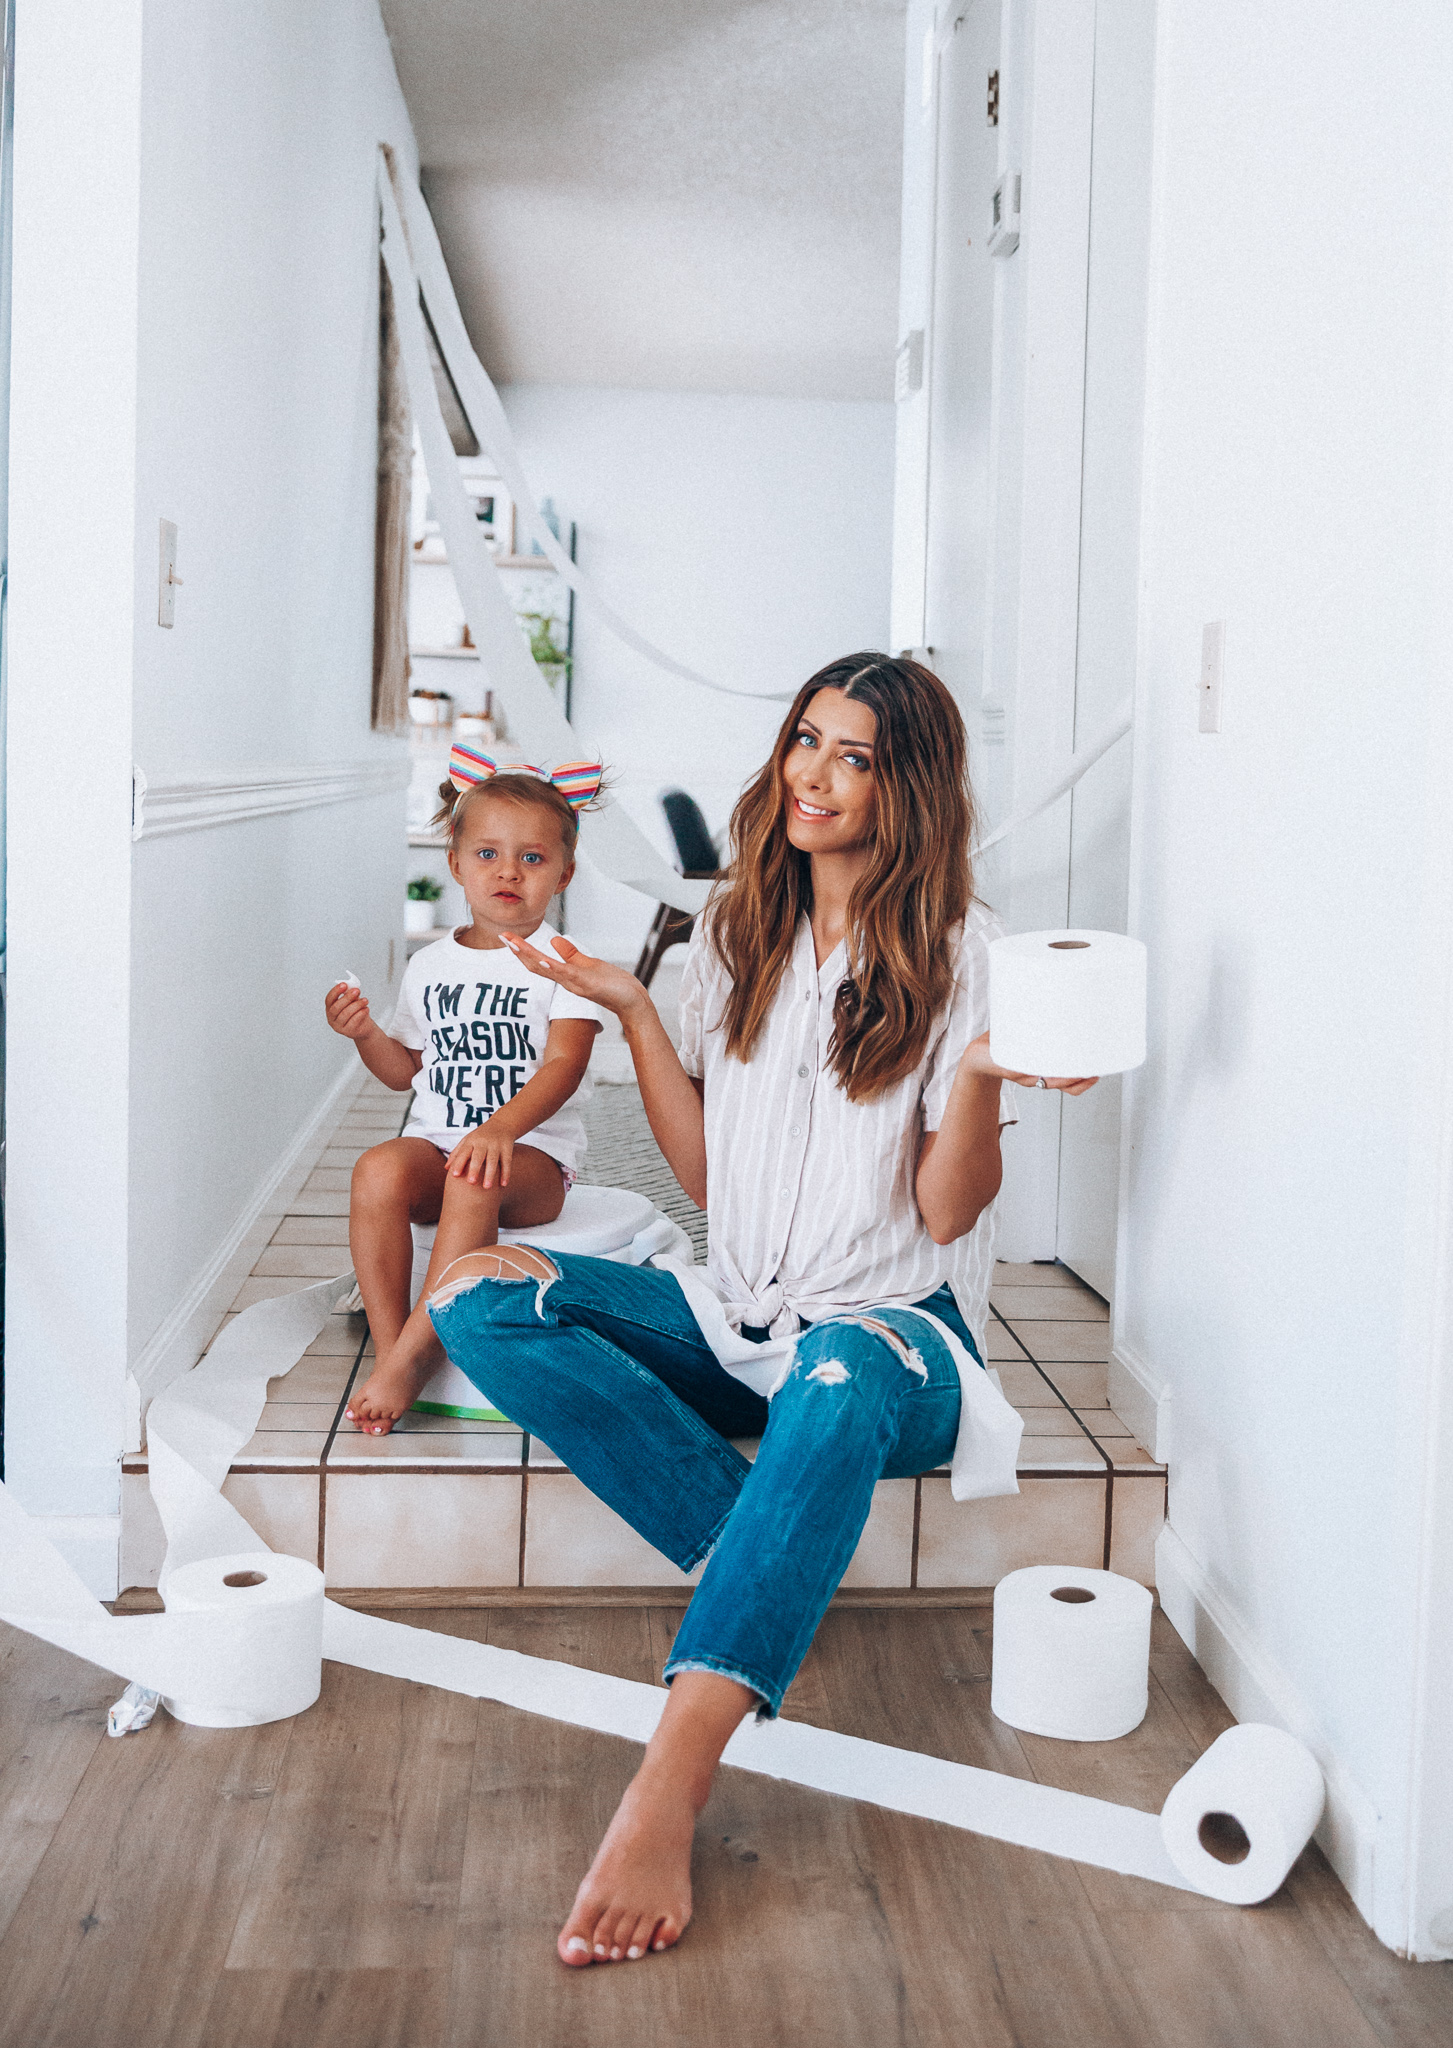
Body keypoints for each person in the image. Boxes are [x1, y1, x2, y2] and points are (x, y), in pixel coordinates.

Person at [419, 655, 1097, 1966]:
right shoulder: (736, 933)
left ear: (908, 787)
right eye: (806, 740)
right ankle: (763, 1565)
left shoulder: (970, 953)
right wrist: (628, 1010)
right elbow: (711, 1181)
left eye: (854, 755)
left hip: (894, 1339)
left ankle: (666, 1783)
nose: (815, 774)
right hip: (742, 1312)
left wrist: (978, 1075)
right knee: (480, 1301)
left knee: (840, 1363)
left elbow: (947, 1220)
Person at [324, 754, 607, 1432]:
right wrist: (364, 1034)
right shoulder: (430, 963)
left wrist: (501, 1129)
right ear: (454, 862)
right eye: (488, 853)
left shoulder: (565, 965)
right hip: (442, 1145)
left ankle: (418, 1352)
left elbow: (563, 1065)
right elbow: (406, 1070)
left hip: (531, 1161)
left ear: (562, 875)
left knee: (473, 1178)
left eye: (532, 858)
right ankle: (395, 1346)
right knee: (377, 1169)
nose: (508, 871)